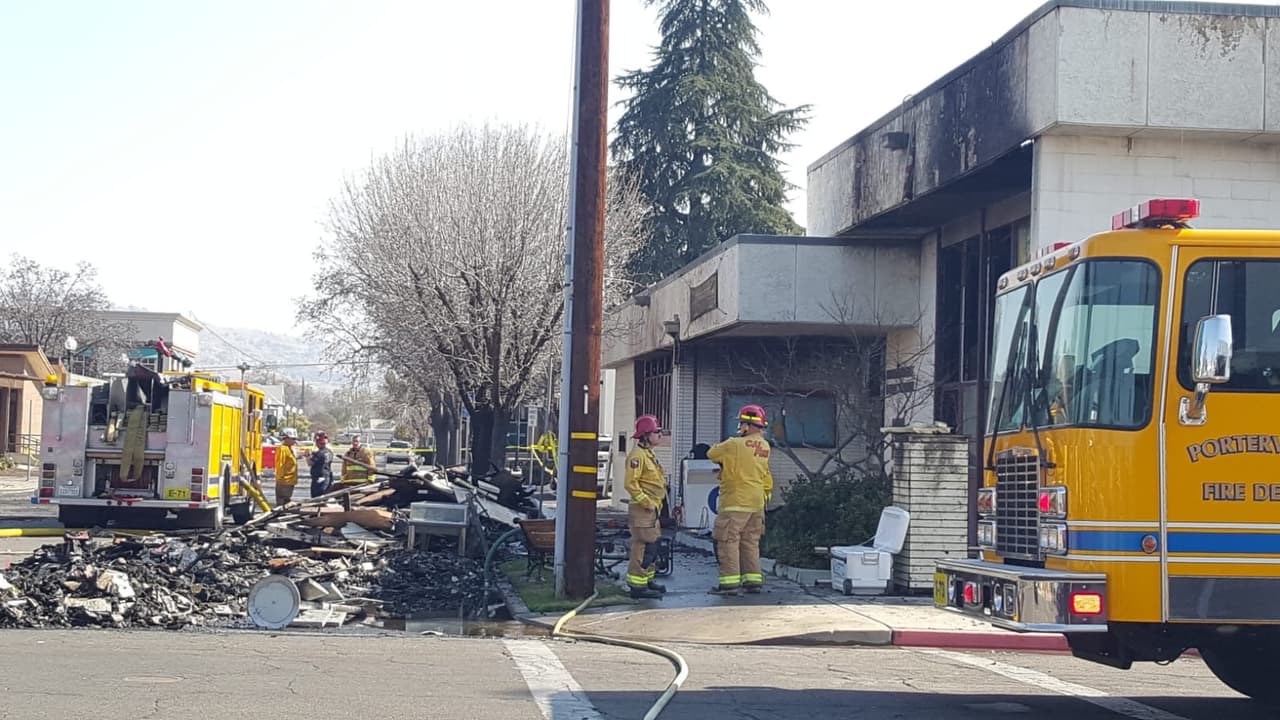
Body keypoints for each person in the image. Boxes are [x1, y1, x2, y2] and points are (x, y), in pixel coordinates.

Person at [706, 404, 774, 596]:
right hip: (756, 503)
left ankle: (729, 585)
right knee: (750, 542)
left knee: (729, 541)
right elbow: (766, 476)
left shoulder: (733, 444)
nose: (740, 427)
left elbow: (711, 454)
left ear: (746, 425)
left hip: (735, 502)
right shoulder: (765, 446)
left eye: (742, 423)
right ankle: (752, 581)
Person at [624, 415, 667, 600]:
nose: (660, 435)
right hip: (643, 509)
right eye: (656, 432)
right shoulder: (637, 456)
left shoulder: (648, 454)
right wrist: (646, 502)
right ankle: (637, 586)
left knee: (652, 545)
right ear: (645, 435)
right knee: (643, 546)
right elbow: (630, 483)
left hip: (652, 509)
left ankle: (647, 580)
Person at [275, 428, 299, 506]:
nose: (294, 441)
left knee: (286, 501)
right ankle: (279, 516)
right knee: (282, 502)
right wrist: (281, 479)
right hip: (284, 481)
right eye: (293, 439)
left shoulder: (290, 449)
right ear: (286, 438)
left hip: (289, 481)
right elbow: (280, 464)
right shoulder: (282, 449)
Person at [308, 431, 335, 497]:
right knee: (324, 496)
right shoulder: (329, 452)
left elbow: (310, 463)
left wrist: (307, 455)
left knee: (317, 497)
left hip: (319, 478)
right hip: (326, 477)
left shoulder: (320, 453)